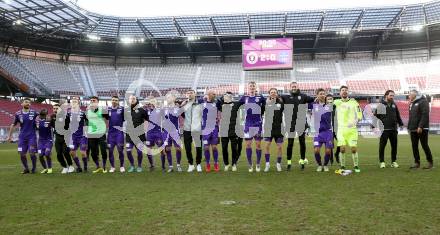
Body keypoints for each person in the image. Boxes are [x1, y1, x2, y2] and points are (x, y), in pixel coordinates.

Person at [281, 82, 314, 171]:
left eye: (295, 86)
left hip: (301, 123)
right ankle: (289, 163)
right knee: (290, 144)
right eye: (292, 86)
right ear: (290, 87)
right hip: (290, 124)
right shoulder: (285, 97)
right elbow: (275, 99)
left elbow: (314, 99)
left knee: (302, 143)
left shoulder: (303, 96)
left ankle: (302, 161)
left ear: (297, 87)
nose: (294, 87)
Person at [334, 86, 363, 173]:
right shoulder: (336, 102)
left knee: (353, 149)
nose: (344, 92)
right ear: (340, 93)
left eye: (346, 90)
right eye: (342, 90)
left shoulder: (354, 102)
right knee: (342, 149)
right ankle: (342, 166)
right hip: (341, 130)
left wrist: (355, 121)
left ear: (348, 92)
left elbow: (360, 115)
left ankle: (356, 166)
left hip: (352, 130)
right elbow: (325, 104)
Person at [239, 81, 266, 172]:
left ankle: (258, 163)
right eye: (250, 86)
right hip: (248, 124)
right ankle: (250, 164)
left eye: (253, 86)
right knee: (248, 144)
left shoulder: (260, 97)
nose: (252, 87)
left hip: (258, 123)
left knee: (258, 145)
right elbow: (236, 106)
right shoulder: (244, 98)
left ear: (255, 87)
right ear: (248, 87)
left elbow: (266, 106)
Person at [7, 98, 38, 174]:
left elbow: (43, 117)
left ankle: (34, 168)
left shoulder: (34, 113)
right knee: (22, 153)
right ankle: (26, 169)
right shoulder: (18, 114)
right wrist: (9, 136)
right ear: (22, 104)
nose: (28, 103)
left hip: (32, 136)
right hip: (22, 137)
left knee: (32, 153)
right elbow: (13, 125)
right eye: (26, 102)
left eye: (29, 103)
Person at [374, 90, 404, 168]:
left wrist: (401, 124)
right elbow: (376, 116)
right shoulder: (381, 105)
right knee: (382, 146)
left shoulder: (394, 105)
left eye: (393, 96)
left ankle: (393, 161)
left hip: (394, 129)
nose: (392, 97)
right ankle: (382, 162)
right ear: (386, 95)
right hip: (384, 130)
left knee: (394, 146)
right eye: (391, 95)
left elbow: (398, 115)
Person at [408, 90, 433, 169]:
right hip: (413, 128)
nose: (409, 96)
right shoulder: (412, 103)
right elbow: (411, 117)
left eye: (410, 95)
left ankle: (430, 162)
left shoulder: (423, 101)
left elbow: (425, 114)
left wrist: (420, 126)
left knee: (424, 145)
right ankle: (417, 163)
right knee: (414, 146)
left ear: (414, 95)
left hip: (421, 128)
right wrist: (409, 127)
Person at [309, 89, 333, 172]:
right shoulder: (313, 105)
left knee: (328, 151)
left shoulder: (329, 105)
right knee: (316, 150)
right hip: (317, 133)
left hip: (328, 131)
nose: (322, 95)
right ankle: (319, 165)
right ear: (317, 95)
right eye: (320, 94)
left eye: (323, 94)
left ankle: (325, 165)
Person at [218, 92, 243, 172]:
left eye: (227, 96)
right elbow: (217, 101)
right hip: (224, 130)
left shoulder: (236, 104)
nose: (226, 97)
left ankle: (234, 164)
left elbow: (243, 100)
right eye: (225, 96)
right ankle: (226, 164)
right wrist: (223, 96)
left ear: (231, 97)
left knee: (234, 148)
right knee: (224, 148)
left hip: (234, 130)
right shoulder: (222, 105)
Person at [125, 95, 149, 173]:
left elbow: (147, 120)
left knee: (139, 152)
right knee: (128, 151)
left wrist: (145, 129)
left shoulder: (141, 110)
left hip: (139, 135)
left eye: (133, 99)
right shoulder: (126, 110)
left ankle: (139, 166)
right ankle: (132, 166)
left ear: (136, 100)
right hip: (129, 135)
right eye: (130, 99)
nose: (132, 100)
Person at [262, 88, 284, 172]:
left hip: (279, 128)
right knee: (267, 146)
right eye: (272, 92)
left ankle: (278, 164)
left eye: (275, 92)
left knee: (279, 147)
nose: (273, 93)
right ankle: (267, 164)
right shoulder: (266, 103)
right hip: (268, 128)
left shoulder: (281, 102)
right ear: (269, 94)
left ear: (277, 94)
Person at [181, 90, 203, 172]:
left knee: (198, 147)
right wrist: (181, 106)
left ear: (195, 94)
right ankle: (190, 164)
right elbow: (182, 114)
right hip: (187, 129)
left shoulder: (200, 103)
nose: (189, 94)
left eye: (191, 93)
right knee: (187, 148)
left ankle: (198, 164)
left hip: (197, 129)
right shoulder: (185, 104)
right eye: (188, 93)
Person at [85, 96, 109, 173]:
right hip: (91, 134)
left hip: (101, 133)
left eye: (94, 100)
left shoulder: (103, 109)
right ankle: (98, 166)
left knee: (103, 151)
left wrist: (104, 129)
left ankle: (104, 167)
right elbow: (87, 121)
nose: (92, 101)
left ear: (98, 102)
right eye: (91, 100)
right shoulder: (87, 110)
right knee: (93, 153)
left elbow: (106, 120)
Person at [145, 98, 169, 172]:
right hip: (149, 134)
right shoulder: (146, 111)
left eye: (153, 101)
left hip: (158, 133)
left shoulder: (160, 110)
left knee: (162, 150)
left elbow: (166, 118)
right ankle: (152, 165)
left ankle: (163, 167)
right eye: (151, 101)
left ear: (156, 103)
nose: (152, 103)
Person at [66, 96, 87, 173]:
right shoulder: (68, 113)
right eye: (73, 101)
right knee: (72, 152)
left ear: (78, 103)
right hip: (73, 136)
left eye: (75, 101)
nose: (74, 102)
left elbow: (88, 122)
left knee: (83, 153)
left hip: (82, 136)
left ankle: (85, 167)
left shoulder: (83, 113)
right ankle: (79, 167)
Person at [201, 89, 220, 172]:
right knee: (206, 148)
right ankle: (208, 164)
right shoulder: (202, 103)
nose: (215, 95)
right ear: (208, 94)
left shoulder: (217, 103)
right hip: (205, 129)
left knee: (214, 147)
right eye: (213, 94)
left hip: (214, 128)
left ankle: (216, 163)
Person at [163, 92, 184, 172]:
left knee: (178, 149)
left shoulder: (177, 108)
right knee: (167, 149)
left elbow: (183, 117)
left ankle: (178, 165)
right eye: (167, 97)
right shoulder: (164, 109)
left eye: (169, 97)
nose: (167, 99)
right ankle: (171, 166)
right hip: (166, 132)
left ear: (174, 98)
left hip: (175, 132)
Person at [52, 103, 74, 173]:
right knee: (58, 153)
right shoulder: (52, 117)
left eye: (57, 108)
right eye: (54, 108)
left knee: (65, 152)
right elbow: (52, 126)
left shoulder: (65, 116)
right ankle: (64, 166)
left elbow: (69, 127)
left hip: (65, 137)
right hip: (57, 137)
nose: (55, 110)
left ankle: (70, 166)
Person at [107, 96, 125, 173]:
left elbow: (126, 119)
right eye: (113, 100)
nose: (114, 101)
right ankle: (112, 167)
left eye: (116, 100)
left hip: (119, 133)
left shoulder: (122, 109)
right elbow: (104, 118)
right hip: (110, 134)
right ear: (111, 101)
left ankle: (121, 166)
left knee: (120, 149)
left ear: (118, 101)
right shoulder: (108, 109)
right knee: (110, 151)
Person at [36, 109, 54, 174]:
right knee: (40, 155)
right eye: (41, 115)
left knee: (47, 154)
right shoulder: (37, 121)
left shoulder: (49, 120)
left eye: (44, 115)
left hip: (49, 140)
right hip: (40, 141)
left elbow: (55, 125)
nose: (42, 116)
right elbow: (35, 128)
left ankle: (49, 168)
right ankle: (45, 168)